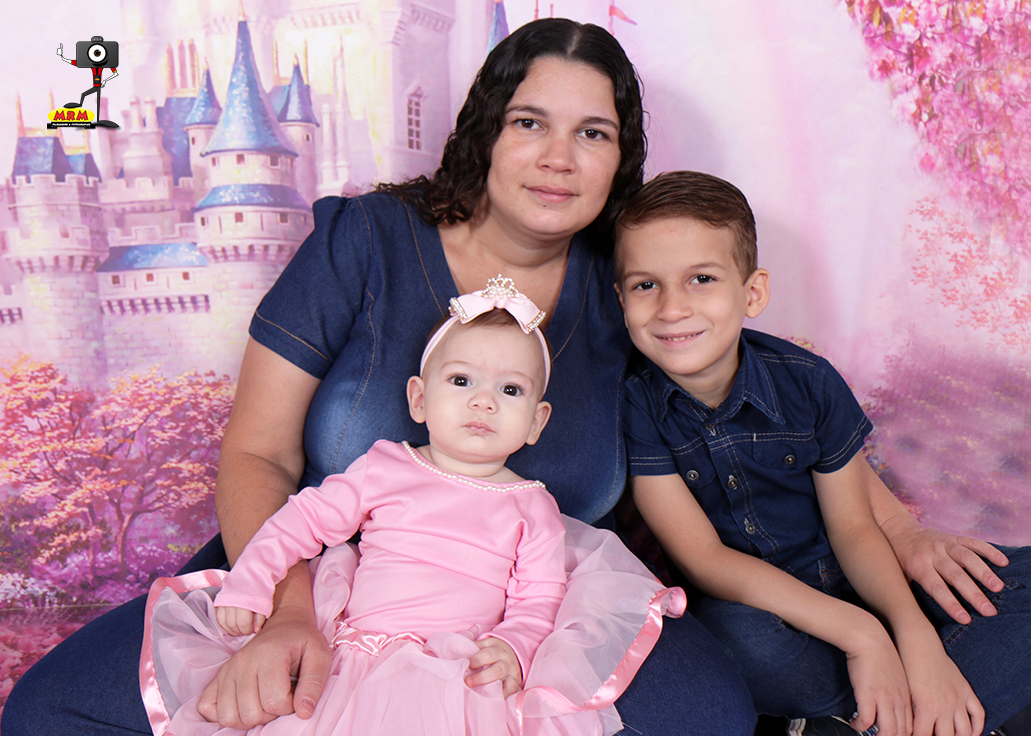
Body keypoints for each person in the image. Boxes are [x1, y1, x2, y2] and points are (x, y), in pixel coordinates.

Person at [1, 18, 1014, 736]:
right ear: (484, 129)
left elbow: (767, 391)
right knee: (51, 712)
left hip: (533, 592)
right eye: (530, 122)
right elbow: (260, 451)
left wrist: (897, 527)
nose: (557, 157)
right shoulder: (366, 241)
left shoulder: (628, 284)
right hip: (330, 569)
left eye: (592, 133)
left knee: (705, 712)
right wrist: (291, 613)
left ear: (619, 160)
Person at [141, 283, 683, 735]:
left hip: (456, 670)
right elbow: (301, 521)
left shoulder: (531, 507)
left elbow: (539, 597)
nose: (483, 400)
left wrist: (515, 646)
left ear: (537, 422)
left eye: (511, 390)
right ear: (419, 399)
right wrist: (252, 582)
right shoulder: (385, 467)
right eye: (461, 381)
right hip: (354, 652)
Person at [616, 170, 1031, 736]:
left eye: (701, 279)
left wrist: (911, 635)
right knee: (729, 640)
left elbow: (854, 528)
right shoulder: (636, 406)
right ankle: (919, 704)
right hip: (766, 614)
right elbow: (705, 561)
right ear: (621, 299)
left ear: (752, 293)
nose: (671, 308)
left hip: (860, 577)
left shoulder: (808, 381)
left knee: (1017, 581)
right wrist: (865, 636)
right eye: (646, 285)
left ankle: (866, 715)